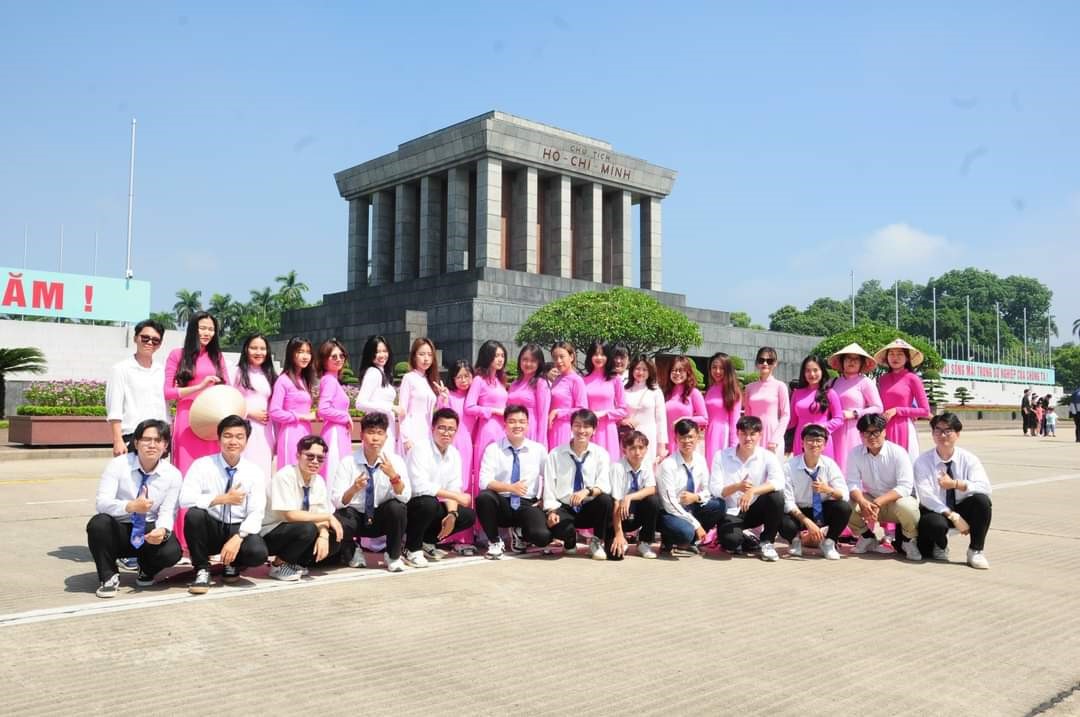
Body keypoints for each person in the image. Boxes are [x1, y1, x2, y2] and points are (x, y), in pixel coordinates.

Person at [87, 419, 182, 598]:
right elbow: (102, 503)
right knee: (98, 524)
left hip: (148, 531)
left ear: (165, 446)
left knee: (172, 551)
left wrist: (162, 530)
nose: (152, 445)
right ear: (136, 443)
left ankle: (147, 569)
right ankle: (109, 576)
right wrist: (130, 506)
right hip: (119, 529)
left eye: (158, 440)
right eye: (146, 439)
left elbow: (168, 511)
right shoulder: (118, 465)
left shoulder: (173, 475)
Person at [179, 415, 270, 594]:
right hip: (211, 528)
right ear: (219, 438)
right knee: (194, 514)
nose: (233, 441)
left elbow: (257, 512)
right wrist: (221, 499)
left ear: (246, 441)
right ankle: (202, 569)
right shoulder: (202, 465)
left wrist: (239, 537)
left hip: (237, 528)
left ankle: (233, 564)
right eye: (227, 436)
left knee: (257, 553)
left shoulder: (254, 471)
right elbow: (185, 499)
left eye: (239, 436)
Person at [163, 311, 230, 551]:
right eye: (202, 328)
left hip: (212, 423)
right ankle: (184, 540)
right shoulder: (177, 355)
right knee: (187, 480)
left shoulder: (217, 357)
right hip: (187, 422)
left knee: (213, 479)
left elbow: (228, 388)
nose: (207, 333)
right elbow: (168, 393)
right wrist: (199, 387)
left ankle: (211, 540)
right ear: (193, 329)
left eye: (211, 329)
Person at [331, 411, 411, 572]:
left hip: (380, 517)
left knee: (398, 508)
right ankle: (352, 550)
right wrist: (353, 489)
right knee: (340, 517)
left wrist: (393, 476)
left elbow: (405, 497)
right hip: (357, 518)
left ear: (386, 437)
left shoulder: (395, 461)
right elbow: (337, 501)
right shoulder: (348, 462)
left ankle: (393, 555)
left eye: (380, 433)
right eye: (370, 432)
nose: (375, 438)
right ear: (361, 435)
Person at [261, 435, 348, 581]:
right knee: (308, 529)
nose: (315, 462)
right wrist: (328, 516)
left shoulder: (318, 481)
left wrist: (324, 535)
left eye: (320, 458)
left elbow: (320, 514)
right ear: (298, 455)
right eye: (310, 456)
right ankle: (277, 565)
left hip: (297, 531)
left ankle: (295, 563)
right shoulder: (285, 476)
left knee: (333, 537)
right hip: (270, 532)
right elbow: (290, 515)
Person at [914, 413, 993, 569]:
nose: (942, 435)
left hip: (962, 505)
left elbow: (985, 487)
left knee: (982, 502)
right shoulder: (923, 461)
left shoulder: (968, 459)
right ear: (932, 433)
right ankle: (941, 545)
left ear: (957, 434)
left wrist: (957, 484)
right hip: (936, 510)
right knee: (933, 524)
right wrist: (952, 515)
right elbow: (926, 496)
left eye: (948, 431)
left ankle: (975, 551)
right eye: (938, 430)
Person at [475, 404, 552, 558]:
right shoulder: (493, 449)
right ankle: (494, 541)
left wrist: (545, 499)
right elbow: (484, 481)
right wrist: (510, 488)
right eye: (512, 421)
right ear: (504, 424)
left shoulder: (538, 450)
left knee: (543, 537)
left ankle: (520, 533)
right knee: (484, 497)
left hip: (526, 503)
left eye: (522, 422)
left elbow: (549, 477)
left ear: (528, 425)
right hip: (501, 502)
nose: (517, 425)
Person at [403, 408, 477, 567]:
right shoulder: (420, 449)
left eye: (451, 429)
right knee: (428, 503)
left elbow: (453, 486)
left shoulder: (454, 454)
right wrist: (456, 496)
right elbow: (420, 487)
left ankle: (426, 542)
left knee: (467, 515)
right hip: (410, 506)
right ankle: (411, 548)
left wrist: (452, 514)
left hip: (431, 505)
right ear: (433, 428)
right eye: (442, 428)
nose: (446, 433)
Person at [845, 413, 922, 561]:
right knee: (844, 505)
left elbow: (905, 486)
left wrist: (878, 502)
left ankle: (908, 541)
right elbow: (852, 483)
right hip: (871, 501)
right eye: (866, 433)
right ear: (861, 434)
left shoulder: (898, 452)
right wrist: (862, 502)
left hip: (896, 502)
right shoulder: (855, 453)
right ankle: (867, 537)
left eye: (876, 432)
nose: (871, 437)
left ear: (884, 432)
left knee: (907, 507)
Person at [711, 416, 785, 562]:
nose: (748, 438)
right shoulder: (721, 456)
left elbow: (779, 481)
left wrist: (752, 491)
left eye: (752, 434)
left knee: (776, 496)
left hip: (754, 509)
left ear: (760, 435)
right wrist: (737, 487)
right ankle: (744, 538)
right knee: (731, 542)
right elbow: (715, 489)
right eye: (744, 434)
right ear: (737, 433)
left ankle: (767, 542)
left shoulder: (767, 456)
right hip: (731, 512)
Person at [542, 408, 614, 560]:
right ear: (571, 427)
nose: (581, 431)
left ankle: (596, 541)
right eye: (577, 425)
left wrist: (586, 491)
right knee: (558, 529)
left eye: (586, 426)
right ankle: (569, 539)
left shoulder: (601, 454)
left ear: (594, 430)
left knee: (606, 500)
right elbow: (549, 487)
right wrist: (551, 511)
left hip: (589, 506)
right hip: (565, 507)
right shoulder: (555, 454)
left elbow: (604, 485)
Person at [655, 418, 728, 558]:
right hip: (669, 512)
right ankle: (669, 540)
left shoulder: (700, 460)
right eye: (682, 437)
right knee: (686, 532)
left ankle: (690, 543)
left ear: (697, 437)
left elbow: (708, 489)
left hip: (690, 506)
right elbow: (669, 504)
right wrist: (696, 525)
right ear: (676, 438)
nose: (687, 441)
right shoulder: (668, 465)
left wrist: (696, 497)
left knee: (719, 505)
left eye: (690, 437)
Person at [778, 424, 850, 560]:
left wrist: (828, 490)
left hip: (821, 509)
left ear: (825, 444)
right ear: (802, 443)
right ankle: (795, 541)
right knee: (782, 517)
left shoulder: (829, 464)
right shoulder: (789, 467)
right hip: (799, 510)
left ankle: (829, 543)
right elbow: (788, 502)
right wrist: (808, 523)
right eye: (810, 440)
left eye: (819, 441)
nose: (814, 444)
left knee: (844, 508)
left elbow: (844, 494)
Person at [105, 318, 168, 456]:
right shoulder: (121, 369)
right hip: (133, 436)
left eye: (155, 340)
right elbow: (114, 409)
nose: (150, 343)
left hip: (160, 437)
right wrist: (117, 440)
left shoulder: (163, 371)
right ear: (135, 338)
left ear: (160, 344)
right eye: (145, 338)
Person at [826, 343, 882, 473]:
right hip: (834, 429)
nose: (851, 362)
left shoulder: (865, 382)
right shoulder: (833, 382)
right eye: (848, 358)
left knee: (852, 463)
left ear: (861, 363)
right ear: (842, 361)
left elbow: (878, 407)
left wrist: (855, 413)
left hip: (854, 429)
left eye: (856, 359)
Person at [607, 430, 660, 560]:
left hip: (635, 510)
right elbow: (616, 503)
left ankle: (644, 541)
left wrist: (629, 497)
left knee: (653, 501)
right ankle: (620, 537)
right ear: (624, 450)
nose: (637, 452)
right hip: (619, 515)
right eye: (632, 448)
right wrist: (618, 534)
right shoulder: (617, 468)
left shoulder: (645, 464)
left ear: (646, 449)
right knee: (615, 555)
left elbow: (652, 488)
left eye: (641, 448)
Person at [874, 338, 930, 460]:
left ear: (907, 358)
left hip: (903, 426)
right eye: (891, 354)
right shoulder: (882, 379)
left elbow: (925, 411)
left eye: (900, 354)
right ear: (886, 357)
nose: (895, 357)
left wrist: (897, 410)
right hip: (883, 426)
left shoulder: (912, 378)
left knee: (905, 463)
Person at [232, 334, 277, 480]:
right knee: (245, 469)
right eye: (254, 348)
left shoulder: (270, 374)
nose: (259, 352)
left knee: (263, 470)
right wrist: (249, 413)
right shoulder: (237, 372)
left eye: (262, 348)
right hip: (244, 427)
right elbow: (228, 400)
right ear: (246, 349)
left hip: (265, 431)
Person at [445, 360, 479, 552]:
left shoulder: (473, 398)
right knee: (451, 485)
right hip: (451, 444)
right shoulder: (449, 396)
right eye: (459, 377)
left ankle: (464, 535)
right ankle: (447, 533)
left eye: (467, 376)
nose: (464, 380)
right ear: (453, 378)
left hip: (468, 446)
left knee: (466, 487)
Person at [269, 337, 316, 472]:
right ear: (291, 353)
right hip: (290, 433)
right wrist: (301, 416)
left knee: (304, 473)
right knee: (290, 473)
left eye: (308, 352)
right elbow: (274, 412)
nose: (305, 356)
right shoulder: (283, 380)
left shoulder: (304, 380)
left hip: (305, 432)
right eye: (300, 351)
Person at [466, 339, 509, 480]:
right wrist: (494, 411)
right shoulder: (479, 380)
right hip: (488, 429)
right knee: (486, 469)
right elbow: (469, 407)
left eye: (502, 355)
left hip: (503, 429)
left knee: (501, 469)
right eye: (496, 356)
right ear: (487, 356)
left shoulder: (500, 381)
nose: (500, 359)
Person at [788, 355, 844, 459]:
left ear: (822, 371)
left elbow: (839, 419)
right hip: (801, 440)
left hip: (820, 439)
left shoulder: (830, 393)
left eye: (815, 370)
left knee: (822, 468)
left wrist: (821, 426)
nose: (812, 374)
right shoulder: (797, 393)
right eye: (808, 371)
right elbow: (792, 421)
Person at [397, 337, 447, 454]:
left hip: (427, 432)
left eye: (429, 355)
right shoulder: (409, 378)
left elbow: (435, 410)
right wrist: (405, 439)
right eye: (422, 354)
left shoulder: (430, 381)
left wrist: (443, 398)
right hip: (412, 432)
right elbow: (402, 411)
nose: (426, 359)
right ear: (414, 356)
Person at [743, 346, 790, 459]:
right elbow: (747, 415)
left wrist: (775, 439)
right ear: (757, 363)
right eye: (761, 360)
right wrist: (747, 436)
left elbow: (785, 415)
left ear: (775, 364)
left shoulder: (780, 386)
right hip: (754, 434)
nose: (765, 363)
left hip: (773, 434)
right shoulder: (749, 388)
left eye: (769, 361)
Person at [582, 340, 628, 457]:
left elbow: (623, 410)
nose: (599, 357)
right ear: (590, 356)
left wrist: (604, 413)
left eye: (602, 354)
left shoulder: (615, 379)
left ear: (608, 357)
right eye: (595, 354)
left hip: (608, 429)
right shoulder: (583, 380)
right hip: (588, 428)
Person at [316, 339, 353, 481]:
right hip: (334, 435)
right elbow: (323, 409)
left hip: (339, 433)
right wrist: (345, 416)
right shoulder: (329, 381)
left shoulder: (332, 380)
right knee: (335, 477)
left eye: (341, 356)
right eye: (333, 356)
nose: (338, 359)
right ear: (324, 360)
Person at [354, 335, 400, 451]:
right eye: (377, 352)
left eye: (385, 351)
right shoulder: (373, 372)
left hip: (385, 427)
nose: (382, 355)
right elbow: (360, 403)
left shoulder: (383, 373)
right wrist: (391, 407)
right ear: (370, 354)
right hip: (377, 429)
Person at [622, 355, 669, 467]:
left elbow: (661, 420)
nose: (640, 372)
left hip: (649, 435)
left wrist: (661, 446)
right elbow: (619, 411)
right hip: (628, 435)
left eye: (645, 369)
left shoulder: (655, 391)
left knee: (647, 468)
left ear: (650, 371)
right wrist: (623, 421)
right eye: (637, 368)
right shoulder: (624, 389)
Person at [507, 344, 551, 447]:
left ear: (539, 363)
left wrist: (541, 444)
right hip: (513, 430)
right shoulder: (515, 383)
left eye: (533, 361)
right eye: (525, 359)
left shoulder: (541, 383)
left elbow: (543, 416)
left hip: (530, 431)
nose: (528, 364)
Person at [547, 341, 587, 449]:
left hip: (566, 429)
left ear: (571, 357)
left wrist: (558, 412)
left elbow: (582, 410)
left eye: (562, 357)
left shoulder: (576, 380)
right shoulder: (557, 379)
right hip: (552, 429)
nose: (558, 361)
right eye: (555, 357)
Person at [704, 352, 741, 467]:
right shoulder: (710, 389)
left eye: (722, 368)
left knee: (719, 466)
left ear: (728, 370)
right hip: (709, 433)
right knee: (709, 465)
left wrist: (734, 446)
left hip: (722, 433)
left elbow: (735, 421)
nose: (717, 371)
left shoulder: (732, 391)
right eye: (714, 367)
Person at [663, 355, 707, 454]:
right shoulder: (666, 393)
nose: (677, 373)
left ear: (688, 373)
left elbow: (704, 419)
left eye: (681, 370)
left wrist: (684, 419)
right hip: (667, 442)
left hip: (685, 441)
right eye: (674, 370)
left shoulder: (694, 393)